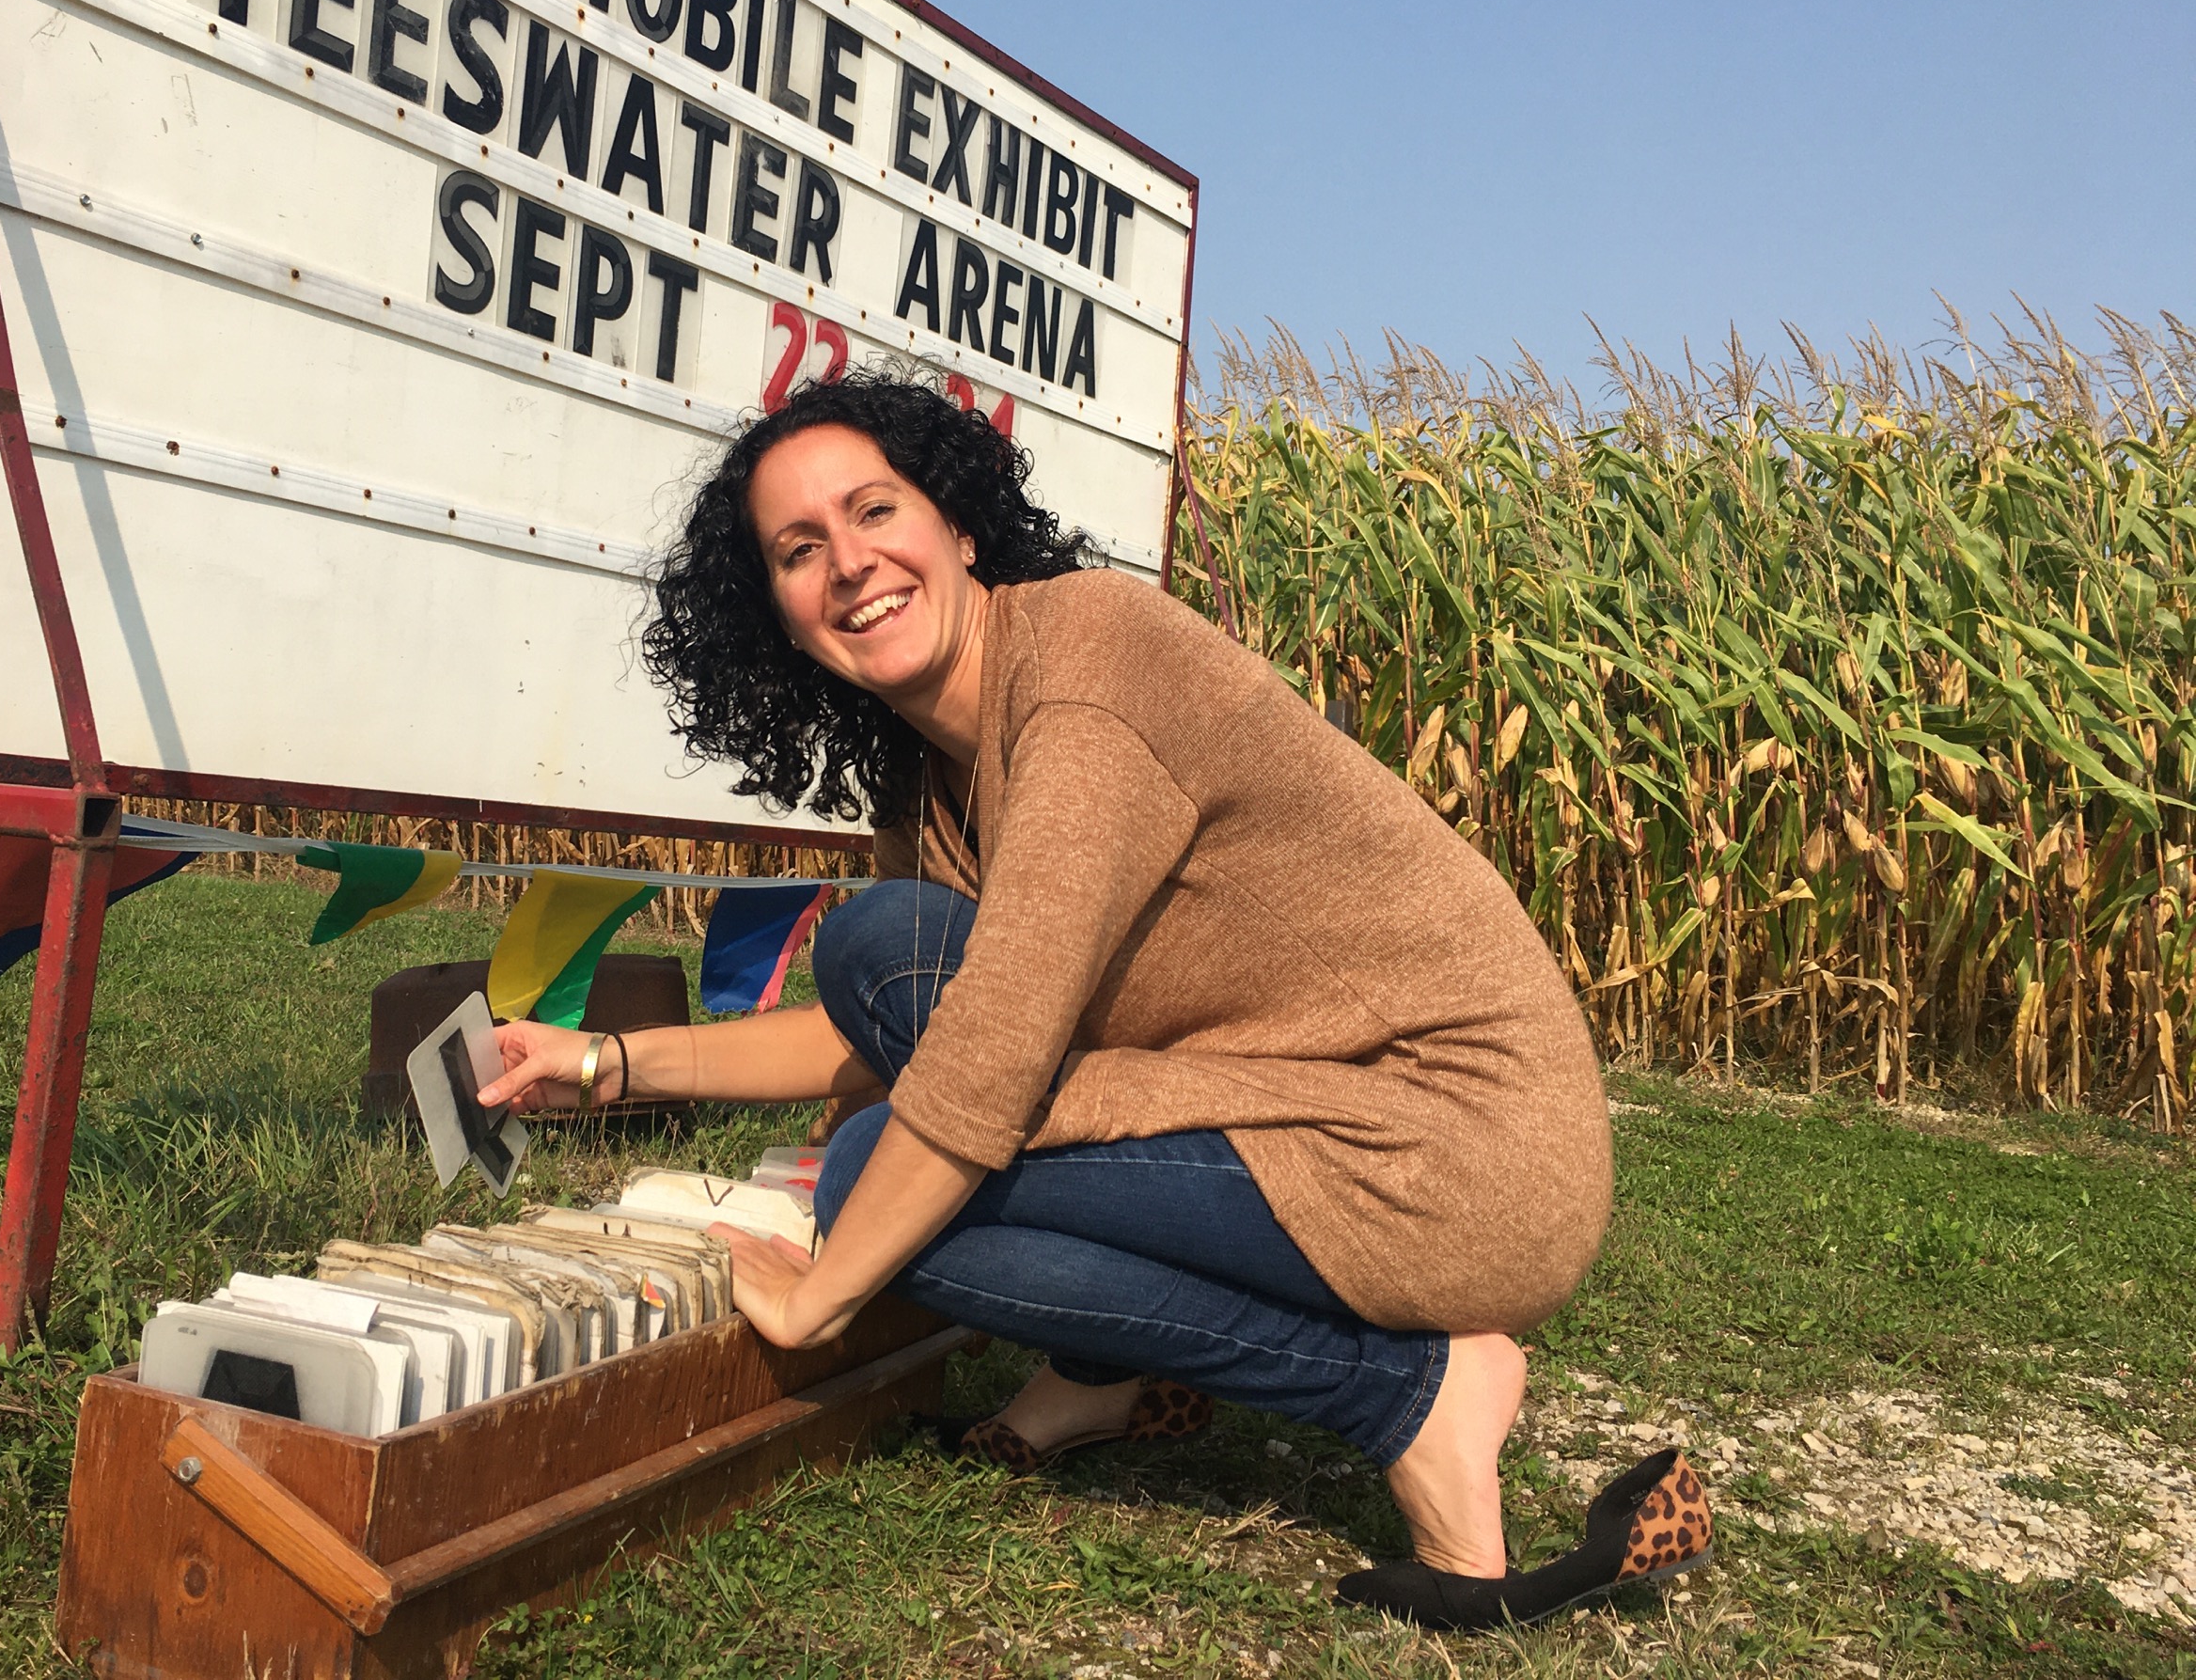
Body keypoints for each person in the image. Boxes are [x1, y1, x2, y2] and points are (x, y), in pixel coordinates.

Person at [478, 369, 1710, 1628]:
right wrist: (605, 1063)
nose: (849, 562)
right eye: (801, 549)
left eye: (875, 512)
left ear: (956, 525)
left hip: (1456, 1149)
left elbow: (981, 1047)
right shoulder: (932, 773)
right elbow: (885, 1032)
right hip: (1288, 1105)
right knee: (886, 1005)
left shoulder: (1086, 662)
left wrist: (819, 1294)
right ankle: (1104, 1373)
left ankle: (1408, 1392)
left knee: (871, 1162)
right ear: (781, 617)